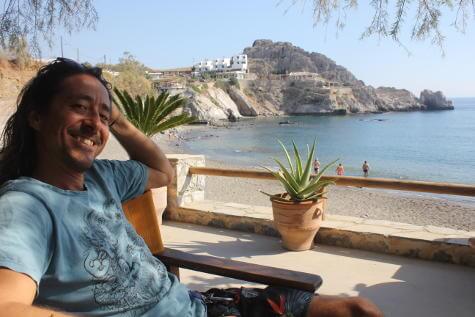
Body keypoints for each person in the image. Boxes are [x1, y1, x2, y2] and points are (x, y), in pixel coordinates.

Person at [0, 59, 382, 317]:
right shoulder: (26, 206)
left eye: (101, 115)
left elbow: (162, 171)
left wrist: (118, 120)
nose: (93, 125)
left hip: (204, 305)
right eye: (79, 107)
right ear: (36, 116)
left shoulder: (104, 177)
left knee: (357, 310)